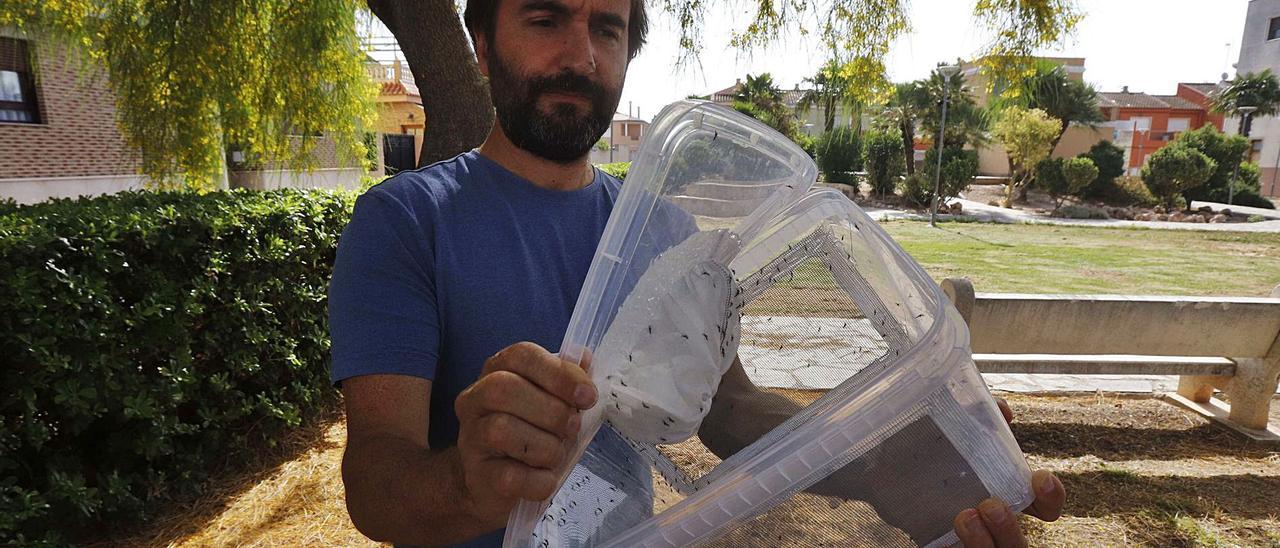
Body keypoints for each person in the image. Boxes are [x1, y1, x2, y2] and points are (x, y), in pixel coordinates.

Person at [328, 0, 1066, 545]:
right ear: (482, 43)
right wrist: (467, 482)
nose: (581, 57)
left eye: (607, 29)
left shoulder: (669, 235)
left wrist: (883, 458)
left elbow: (733, 412)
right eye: (546, 19)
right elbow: (375, 484)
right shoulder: (405, 222)